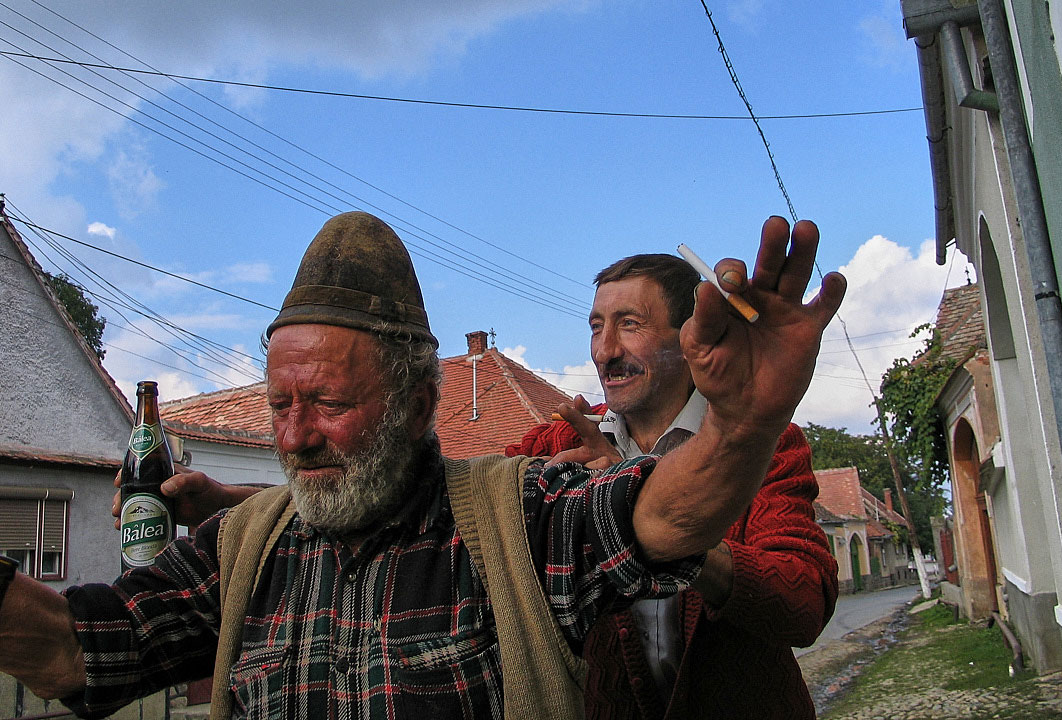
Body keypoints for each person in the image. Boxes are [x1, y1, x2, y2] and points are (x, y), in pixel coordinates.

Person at [0, 210, 844, 719]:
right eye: (277, 405)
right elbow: (77, 647)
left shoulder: (527, 504)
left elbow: (674, 530)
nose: (293, 435)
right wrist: (235, 501)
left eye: (327, 404)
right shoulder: (554, 444)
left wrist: (740, 429)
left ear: (413, 404)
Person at [506, 249, 839, 719]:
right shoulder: (559, 441)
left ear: (690, 336)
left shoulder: (763, 443)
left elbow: (804, 602)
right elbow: (469, 514)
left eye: (630, 324)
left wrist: (654, 527)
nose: (605, 351)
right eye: (597, 326)